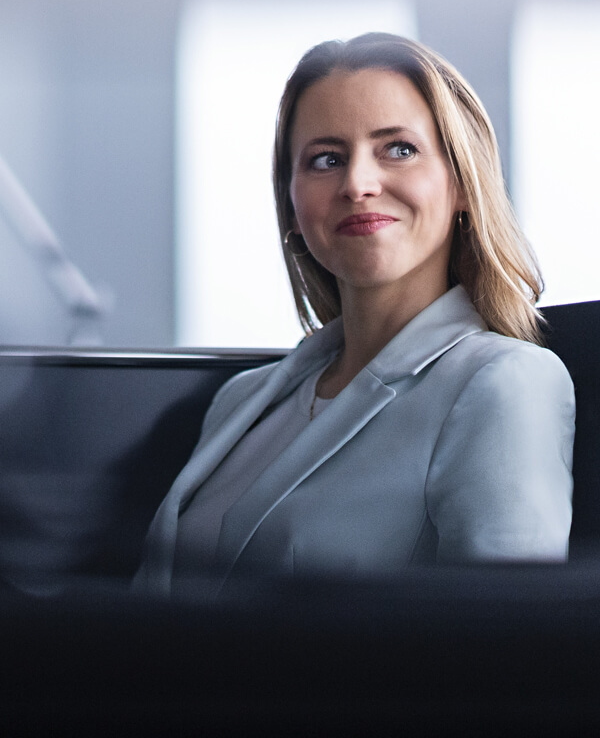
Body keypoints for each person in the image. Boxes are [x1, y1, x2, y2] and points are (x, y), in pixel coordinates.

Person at [135, 33, 575, 597]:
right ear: (292, 204)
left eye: (398, 149)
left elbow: (505, 653)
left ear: (462, 181)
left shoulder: (504, 383)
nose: (358, 185)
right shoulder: (242, 400)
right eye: (326, 159)